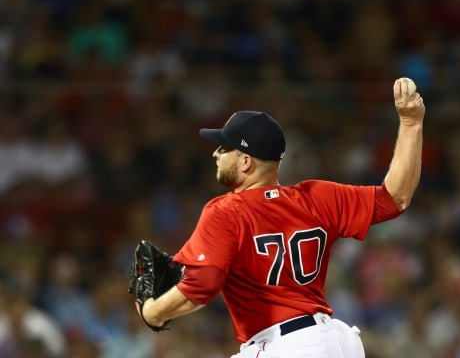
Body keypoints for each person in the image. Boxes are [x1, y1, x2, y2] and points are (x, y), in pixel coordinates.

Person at [136, 78, 425, 357]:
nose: (215, 153)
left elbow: (203, 285)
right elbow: (395, 198)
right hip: (339, 343)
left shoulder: (226, 210)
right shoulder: (317, 197)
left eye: (224, 148)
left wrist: (153, 313)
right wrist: (411, 125)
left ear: (246, 161)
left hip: (283, 345)